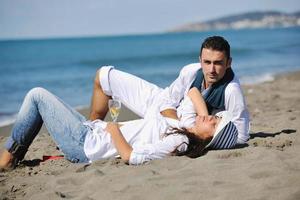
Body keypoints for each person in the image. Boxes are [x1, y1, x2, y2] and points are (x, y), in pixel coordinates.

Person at [0, 86, 238, 170]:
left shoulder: (181, 142)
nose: (210, 118)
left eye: (215, 123)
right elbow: (192, 92)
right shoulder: (185, 129)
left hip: (86, 145)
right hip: (92, 132)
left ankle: (8, 158)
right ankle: (13, 154)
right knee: (44, 102)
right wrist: (204, 117)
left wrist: (113, 129)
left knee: (37, 95)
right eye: (215, 117)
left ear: (211, 138)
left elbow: (131, 157)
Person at [89, 36, 250, 144]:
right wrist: (179, 124)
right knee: (103, 76)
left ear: (229, 63)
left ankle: (89, 137)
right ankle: (89, 129)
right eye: (207, 62)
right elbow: (166, 101)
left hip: (166, 129)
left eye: (218, 63)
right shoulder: (191, 71)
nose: (212, 69)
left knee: (116, 130)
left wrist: (196, 135)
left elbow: (241, 137)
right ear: (200, 60)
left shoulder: (231, 90)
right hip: (159, 105)